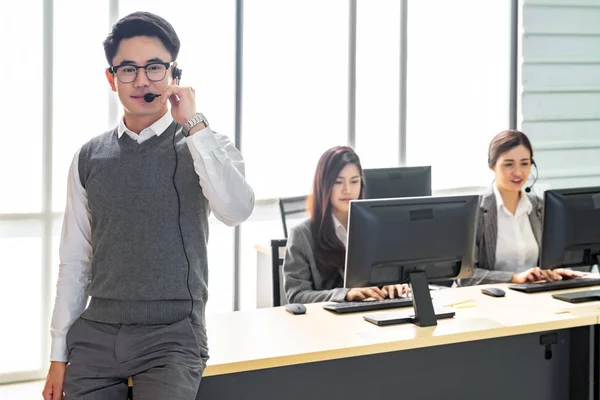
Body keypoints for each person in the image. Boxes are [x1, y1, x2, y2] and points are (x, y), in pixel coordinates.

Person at [42, 11, 254, 400]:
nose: (141, 81)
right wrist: (57, 356)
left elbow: (236, 210)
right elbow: (74, 260)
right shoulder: (89, 157)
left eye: (154, 67)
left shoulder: (206, 143)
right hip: (96, 334)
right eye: (128, 69)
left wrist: (194, 126)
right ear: (111, 79)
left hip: (172, 335)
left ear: (174, 73)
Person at [283, 146, 410, 303]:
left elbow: (388, 276)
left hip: (374, 317)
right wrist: (345, 294)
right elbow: (296, 296)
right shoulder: (302, 234)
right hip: (327, 323)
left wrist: (394, 286)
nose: (347, 190)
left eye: (354, 181)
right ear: (324, 185)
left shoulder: (377, 228)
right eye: (338, 182)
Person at [462, 129, 581, 286]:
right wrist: (514, 277)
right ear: (492, 166)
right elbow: (465, 277)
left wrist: (554, 271)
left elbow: (556, 260)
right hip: (492, 301)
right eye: (509, 164)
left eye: (524, 163)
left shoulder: (542, 208)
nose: (518, 172)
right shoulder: (475, 212)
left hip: (538, 297)